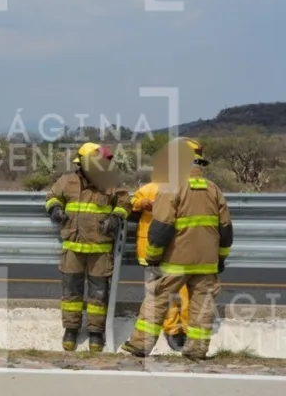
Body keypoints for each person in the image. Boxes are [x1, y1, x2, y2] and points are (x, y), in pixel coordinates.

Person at [122, 138, 233, 361]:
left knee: (158, 297)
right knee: (202, 304)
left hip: (176, 260)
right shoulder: (214, 190)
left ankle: (140, 345)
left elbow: (161, 227)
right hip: (207, 262)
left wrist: (153, 257)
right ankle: (197, 349)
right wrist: (220, 260)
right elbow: (226, 231)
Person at [44, 142, 131, 352]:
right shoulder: (67, 181)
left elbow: (125, 203)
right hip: (73, 246)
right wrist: (55, 209)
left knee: (99, 293)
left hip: (100, 249)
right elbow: (52, 197)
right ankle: (71, 329)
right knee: (71, 291)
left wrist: (116, 217)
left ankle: (95, 333)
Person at [131, 178, 190, 351]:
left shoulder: (188, 189)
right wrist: (141, 203)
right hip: (153, 249)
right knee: (162, 293)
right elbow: (132, 201)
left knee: (185, 291)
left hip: (179, 249)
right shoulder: (150, 188)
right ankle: (172, 329)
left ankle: (187, 329)